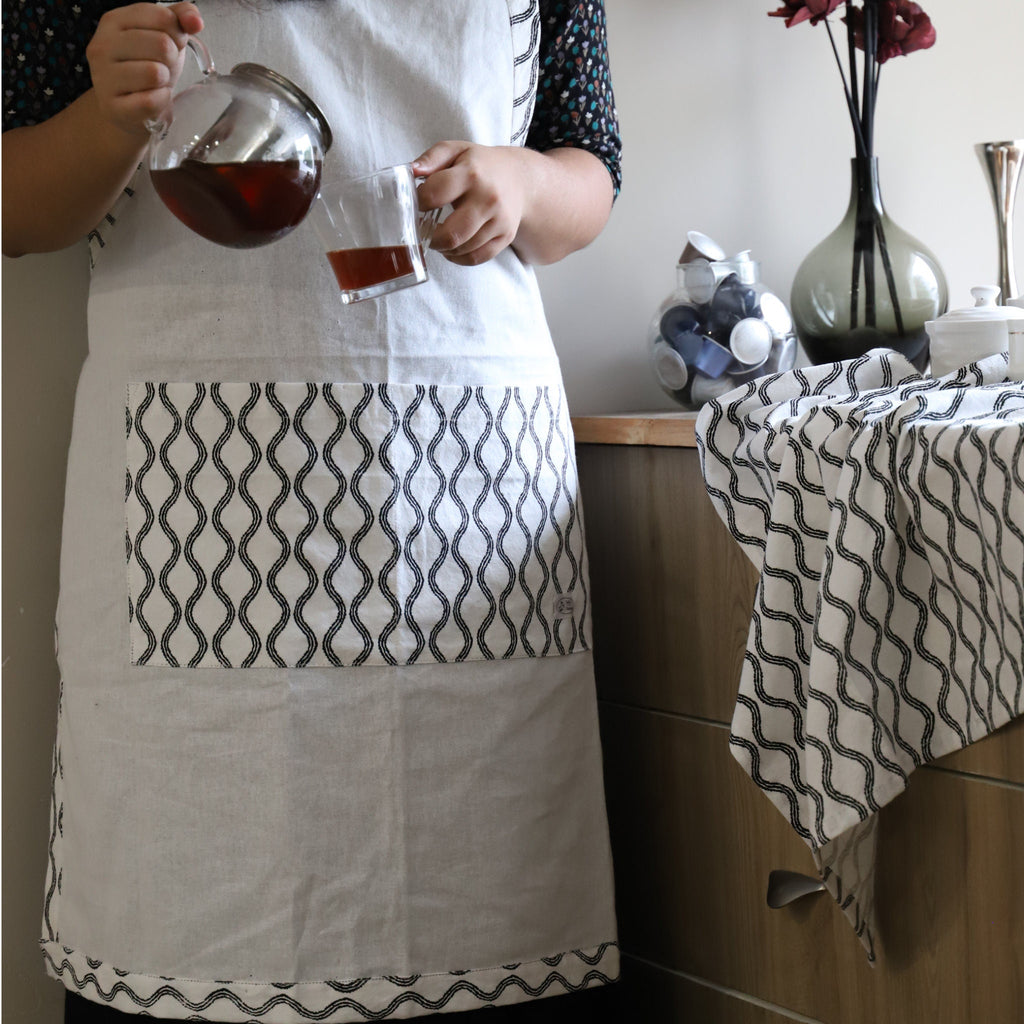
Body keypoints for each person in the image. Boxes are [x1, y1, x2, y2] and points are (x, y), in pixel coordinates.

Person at [2, 1, 623, 1021]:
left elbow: (591, 172)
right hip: (202, 520)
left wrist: (524, 183)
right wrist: (110, 120)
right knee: (197, 924)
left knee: (486, 913)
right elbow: (16, 209)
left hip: (463, 524)